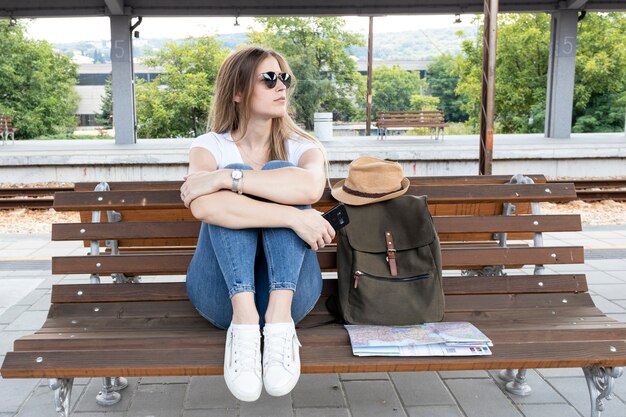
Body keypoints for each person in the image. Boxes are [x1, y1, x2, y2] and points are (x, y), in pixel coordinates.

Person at [179, 46, 335, 402]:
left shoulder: (303, 146)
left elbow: (311, 186)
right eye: (268, 78)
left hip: (292, 295)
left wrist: (225, 180)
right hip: (221, 296)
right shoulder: (209, 147)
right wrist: (294, 216)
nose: (281, 86)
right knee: (249, 181)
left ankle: (279, 326)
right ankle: (245, 325)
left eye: (284, 78)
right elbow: (203, 207)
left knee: (280, 170)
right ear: (237, 91)